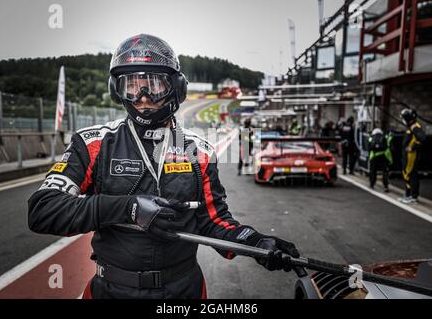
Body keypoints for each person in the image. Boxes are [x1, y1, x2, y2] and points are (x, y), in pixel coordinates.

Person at [27, 34, 300, 299]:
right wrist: (127, 207)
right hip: (111, 290)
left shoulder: (199, 152)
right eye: (131, 85)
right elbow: (42, 210)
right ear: (116, 90)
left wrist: (254, 242)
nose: (142, 96)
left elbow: (215, 221)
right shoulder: (92, 144)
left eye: (153, 84)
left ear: (176, 87)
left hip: (183, 289)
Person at [398, 108, 426, 204]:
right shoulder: (411, 126)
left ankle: (413, 196)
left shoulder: (415, 127)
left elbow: (423, 139)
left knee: (411, 175)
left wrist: (413, 148)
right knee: (407, 174)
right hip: (407, 155)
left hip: (412, 156)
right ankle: (408, 194)